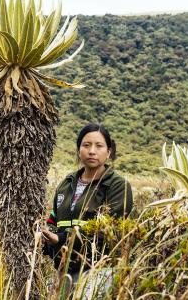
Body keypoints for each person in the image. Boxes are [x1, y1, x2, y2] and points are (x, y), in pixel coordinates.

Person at [42, 123, 133, 294]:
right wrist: (45, 237)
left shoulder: (117, 186)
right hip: (64, 271)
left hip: (99, 271)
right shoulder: (66, 183)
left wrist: (60, 239)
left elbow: (109, 231)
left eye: (99, 146)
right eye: (86, 145)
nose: (92, 151)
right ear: (78, 150)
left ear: (109, 152)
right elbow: (54, 219)